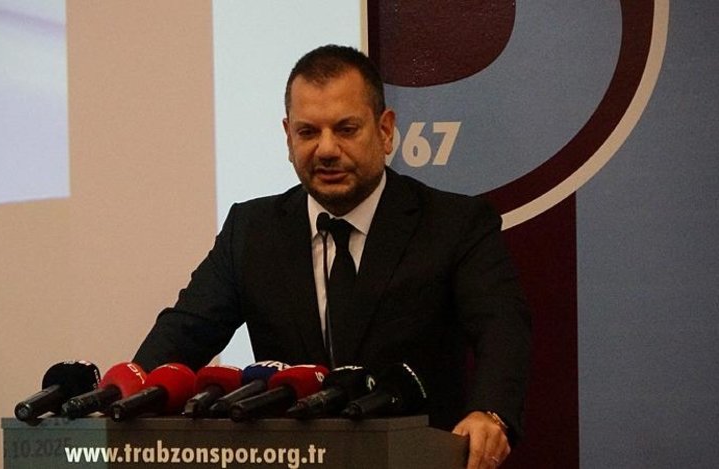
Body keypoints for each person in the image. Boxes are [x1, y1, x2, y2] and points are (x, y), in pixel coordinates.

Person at [134, 44, 531, 469]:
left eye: (345, 129)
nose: (326, 149)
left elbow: (502, 330)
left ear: (384, 131)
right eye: (308, 132)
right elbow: (184, 332)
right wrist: (123, 399)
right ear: (288, 136)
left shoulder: (454, 224)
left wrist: (489, 413)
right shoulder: (251, 230)